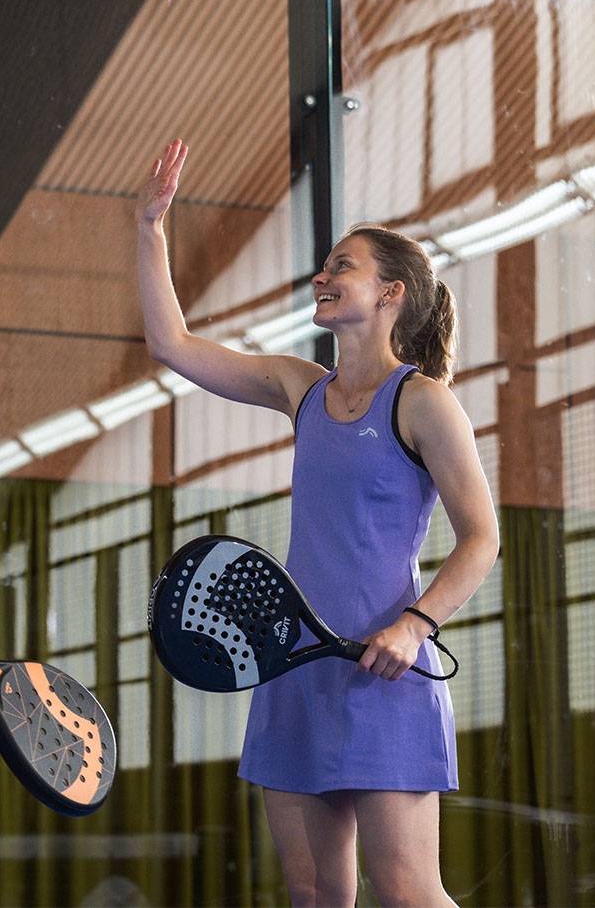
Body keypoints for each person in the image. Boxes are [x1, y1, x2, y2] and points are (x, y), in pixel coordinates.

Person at [136, 140, 499, 906]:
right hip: (294, 673)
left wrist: (414, 626)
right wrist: (151, 229)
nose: (322, 278)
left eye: (342, 266)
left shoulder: (423, 402)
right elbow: (172, 344)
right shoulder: (300, 389)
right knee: (313, 898)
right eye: (325, 267)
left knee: (408, 895)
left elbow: (481, 538)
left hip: (385, 675)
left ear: (391, 292)